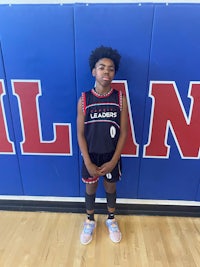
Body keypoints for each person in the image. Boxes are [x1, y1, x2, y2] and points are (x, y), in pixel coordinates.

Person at [77, 45, 128, 245]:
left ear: (114, 73)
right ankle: (90, 220)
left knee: (110, 186)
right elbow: (80, 133)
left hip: (111, 155)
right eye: (101, 67)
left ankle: (111, 219)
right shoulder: (84, 99)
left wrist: (114, 160)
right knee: (90, 189)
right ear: (93, 71)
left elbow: (124, 132)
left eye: (111, 68)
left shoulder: (120, 98)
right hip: (91, 155)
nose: (106, 71)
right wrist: (88, 162)